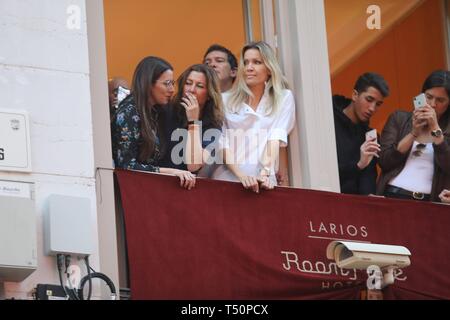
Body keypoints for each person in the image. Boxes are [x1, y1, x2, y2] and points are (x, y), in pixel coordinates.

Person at [211, 41, 296, 193]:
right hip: (227, 181)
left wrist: (264, 174)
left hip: (264, 183)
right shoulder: (224, 100)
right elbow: (222, 143)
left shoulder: (283, 98)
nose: (249, 68)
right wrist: (242, 176)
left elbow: (275, 138)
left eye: (257, 62)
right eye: (246, 62)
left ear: (269, 68)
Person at [111, 56, 196, 189]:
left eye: (172, 83)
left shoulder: (154, 111)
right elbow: (126, 165)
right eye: (166, 83)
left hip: (145, 189)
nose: (172, 89)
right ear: (149, 83)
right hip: (126, 193)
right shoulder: (128, 112)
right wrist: (172, 172)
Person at [377, 70, 450, 202]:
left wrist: (435, 128)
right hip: (394, 194)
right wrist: (413, 133)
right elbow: (384, 161)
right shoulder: (399, 118)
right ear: (421, 96)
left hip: (429, 201)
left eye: (440, 100)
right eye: (429, 97)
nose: (433, 104)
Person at [333, 72, 390, 195]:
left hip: (355, 207)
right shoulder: (329, 121)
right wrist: (358, 165)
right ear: (354, 95)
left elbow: (368, 180)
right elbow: (325, 174)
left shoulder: (370, 136)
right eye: (369, 100)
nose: (372, 108)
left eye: (378, 104)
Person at [160, 64, 224, 173]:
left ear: (209, 94)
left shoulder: (213, 124)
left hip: (186, 185)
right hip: (156, 179)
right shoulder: (165, 110)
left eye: (199, 86)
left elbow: (194, 166)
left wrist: (193, 122)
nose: (191, 90)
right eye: (188, 83)